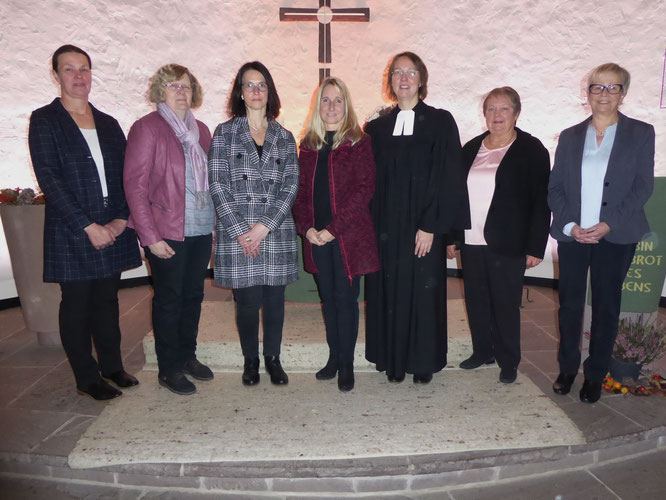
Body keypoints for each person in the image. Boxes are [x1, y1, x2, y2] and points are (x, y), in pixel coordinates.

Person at [28, 45, 141, 400]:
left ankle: (112, 366)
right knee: (76, 304)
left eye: (84, 69)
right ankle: (86, 377)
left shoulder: (108, 123)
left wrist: (122, 218)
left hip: (112, 224)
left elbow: (128, 173)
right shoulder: (45, 120)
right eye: (69, 69)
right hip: (72, 229)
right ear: (56, 75)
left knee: (107, 301)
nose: (79, 76)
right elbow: (50, 179)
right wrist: (88, 226)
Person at [548, 63, 655, 403]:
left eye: (612, 88)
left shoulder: (641, 133)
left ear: (623, 93)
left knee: (607, 305)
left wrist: (608, 222)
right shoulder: (569, 136)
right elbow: (556, 188)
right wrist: (571, 226)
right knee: (570, 306)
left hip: (616, 235)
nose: (604, 94)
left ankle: (595, 374)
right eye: (598, 87)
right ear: (588, 92)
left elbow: (642, 189)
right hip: (574, 235)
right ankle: (567, 368)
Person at [364, 52, 467, 384]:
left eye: (410, 72)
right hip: (386, 230)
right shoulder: (377, 127)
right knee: (390, 293)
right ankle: (392, 361)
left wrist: (431, 226)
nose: (404, 78)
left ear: (422, 79)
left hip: (424, 227)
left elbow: (449, 177)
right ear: (390, 81)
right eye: (397, 73)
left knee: (423, 296)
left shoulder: (440, 122)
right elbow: (368, 180)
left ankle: (422, 362)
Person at [449, 87, 550, 384]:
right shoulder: (471, 149)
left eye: (504, 109)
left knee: (505, 304)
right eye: (491, 109)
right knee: (476, 300)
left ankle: (508, 359)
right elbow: (456, 196)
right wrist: (453, 237)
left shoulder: (531, 150)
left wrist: (535, 246)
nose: (497, 115)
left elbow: (541, 201)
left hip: (509, 242)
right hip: (471, 239)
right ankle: (482, 351)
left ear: (517, 113)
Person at [124, 64, 214, 396]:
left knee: (193, 296)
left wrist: (216, 225)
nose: (180, 92)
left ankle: (187, 356)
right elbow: (135, 187)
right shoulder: (147, 128)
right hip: (167, 231)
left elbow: (212, 181)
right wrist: (150, 238)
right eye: (173, 86)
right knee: (169, 299)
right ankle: (169, 368)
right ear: (161, 90)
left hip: (202, 228)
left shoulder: (202, 130)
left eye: (186, 87)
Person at [208, 61, 299, 386]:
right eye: (249, 85)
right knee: (247, 302)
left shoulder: (285, 136)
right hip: (239, 233)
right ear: (240, 93)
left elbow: (291, 185)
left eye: (262, 85)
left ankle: (273, 359)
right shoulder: (224, 133)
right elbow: (218, 184)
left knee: (274, 300)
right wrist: (242, 233)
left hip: (273, 232)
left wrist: (263, 227)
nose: (256, 91)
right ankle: (250, 361)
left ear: (269, 91)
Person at [293, 77, 380, 392]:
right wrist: (308, 229)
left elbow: (363, 191)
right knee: (328, 299)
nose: (332, 106)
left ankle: (346, 363)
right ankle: (333, 357)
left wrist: (332, 230)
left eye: (338, 100)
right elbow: (300, 194)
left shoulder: (359, 142)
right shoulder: (308, 145)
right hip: (316, 238)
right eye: (326, 100)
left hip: (347, 239)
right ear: (318, 106)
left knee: (346, 300)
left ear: (347, 105)